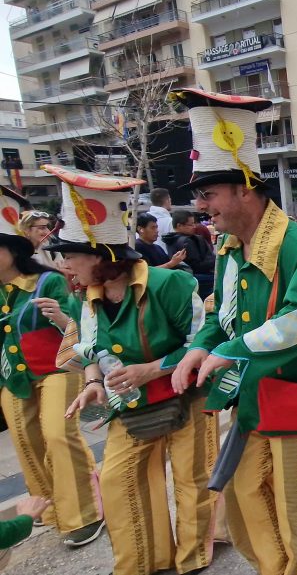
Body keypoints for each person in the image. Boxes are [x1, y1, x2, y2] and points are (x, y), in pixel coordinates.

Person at [168, 88, 297, 575]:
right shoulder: (229, 248)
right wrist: (198, 349)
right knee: (246, 502)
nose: (202, 206)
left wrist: (228, 350)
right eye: (198, 197)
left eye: (208, 194)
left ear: (243, 189)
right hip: (252, 396)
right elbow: (219, 315)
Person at [44, 165, 216, 575]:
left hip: (184, 397)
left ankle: (191, 560)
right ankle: (143, 562)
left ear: (100, 257)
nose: (64, 265)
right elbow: (88, 350)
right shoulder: (85, 299)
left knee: (191, 483)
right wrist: (92, 383)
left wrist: (152, 369)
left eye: (70, 256)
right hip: (128, 407)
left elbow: (200, 345)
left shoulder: (169, 285)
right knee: (119, 482)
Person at [0, 186, 104, 549]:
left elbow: (81, 326)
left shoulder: (49, 281)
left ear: (13, 251)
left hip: (58, 370)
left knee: (59, 436)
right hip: (14, 377)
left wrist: (60, 318)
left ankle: (84, 513)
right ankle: (44, 508)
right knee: (27, 443)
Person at [162, 211, 216, 299]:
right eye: (190, 224)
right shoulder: (187, 241)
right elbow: (197, 265)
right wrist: (214, 261)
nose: (194, 227)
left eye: (194, 223)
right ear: (179, 225)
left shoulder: (170, 239)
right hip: (199, 279)